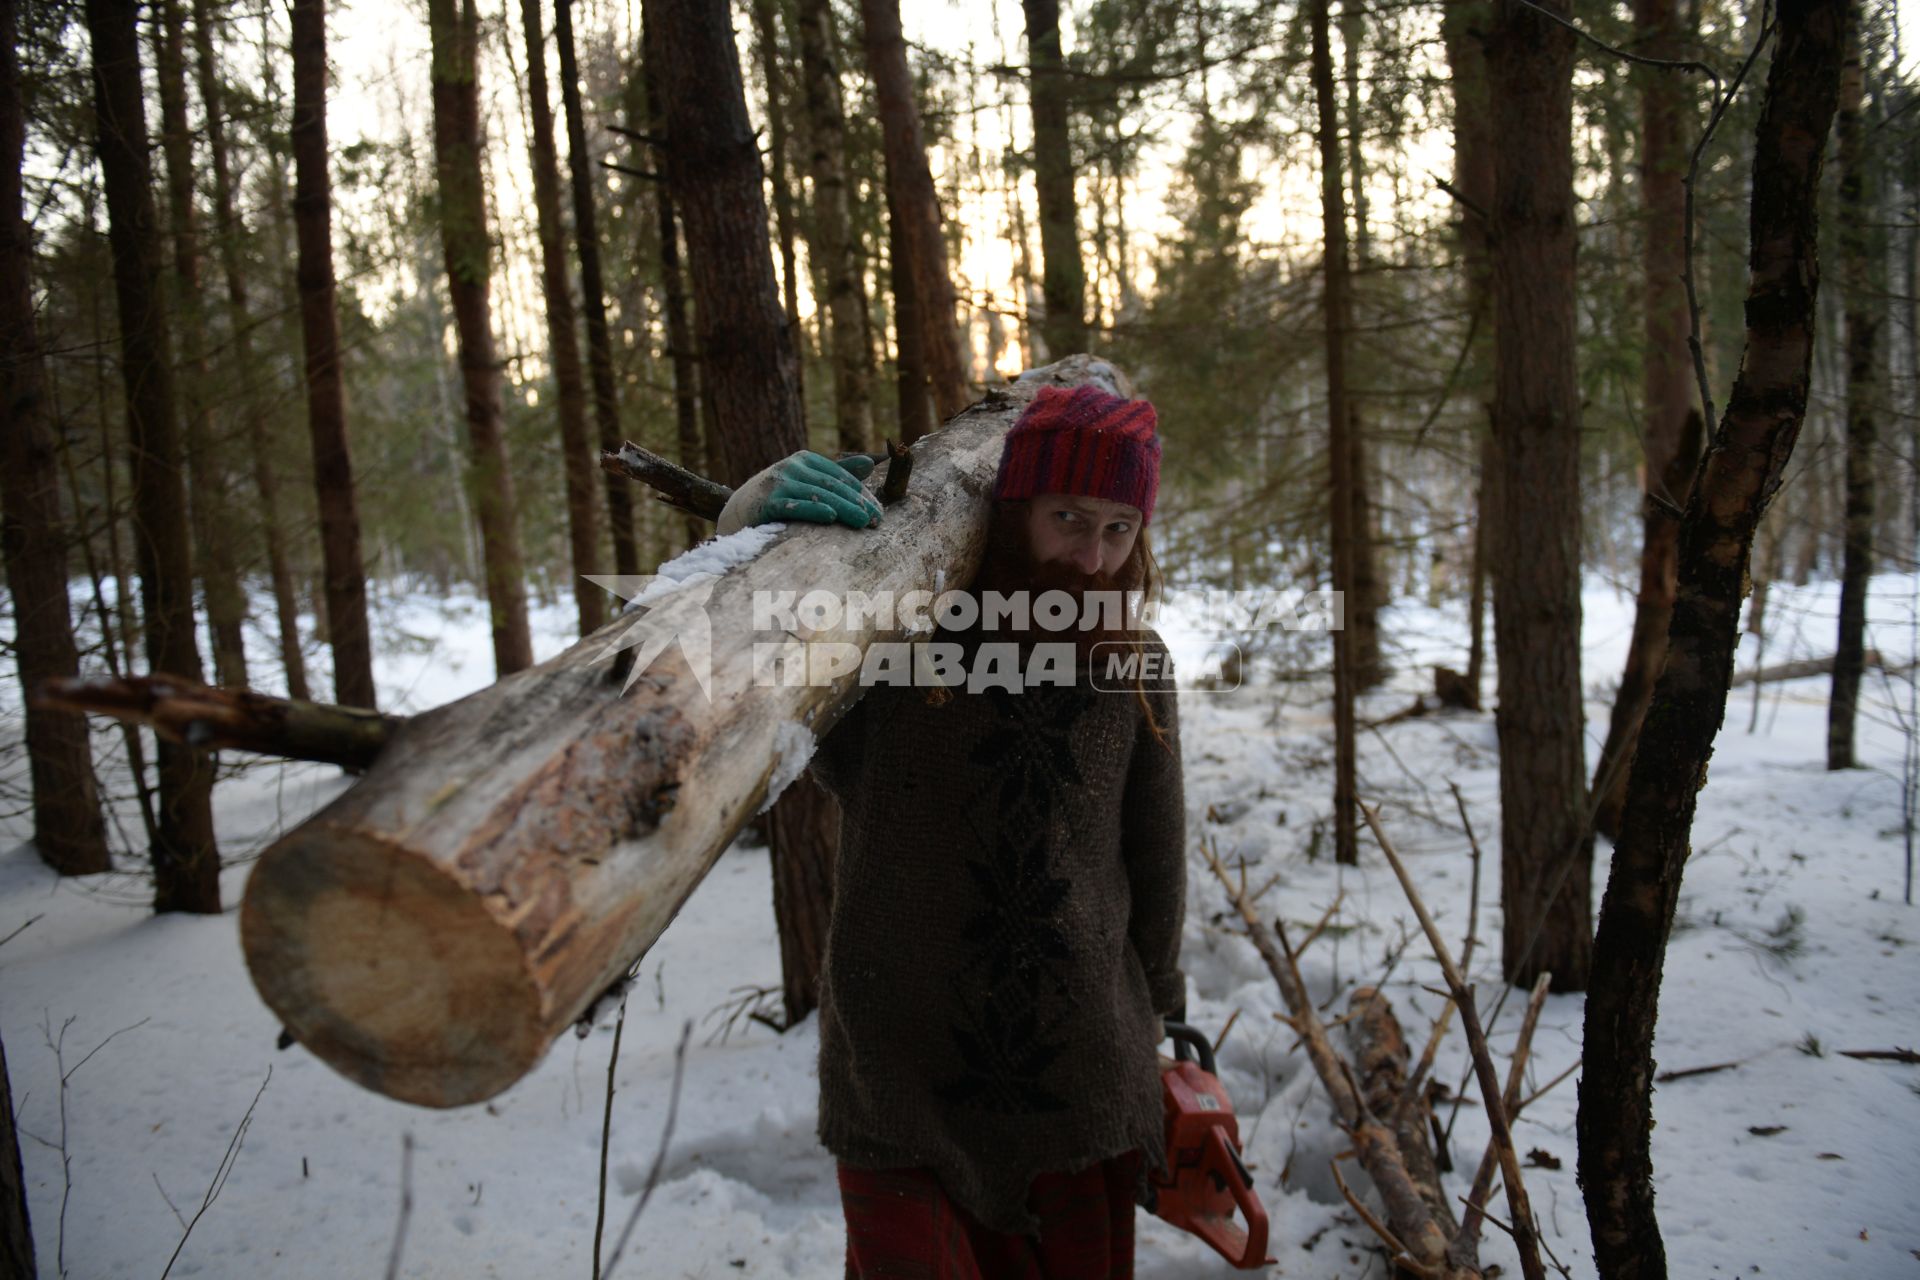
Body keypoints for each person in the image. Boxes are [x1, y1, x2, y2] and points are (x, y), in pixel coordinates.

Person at [717, 384, 1187, 1279]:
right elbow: (738, 658)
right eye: (1069, 517)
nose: (1092, 557)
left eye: (1120, 529)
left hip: (1084, 1083)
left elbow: (1154, 857)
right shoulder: (892, 642)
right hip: (900, 1085)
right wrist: (753, 524)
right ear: (1015, 511)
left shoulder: (1135, 665)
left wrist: (1165, 1019)